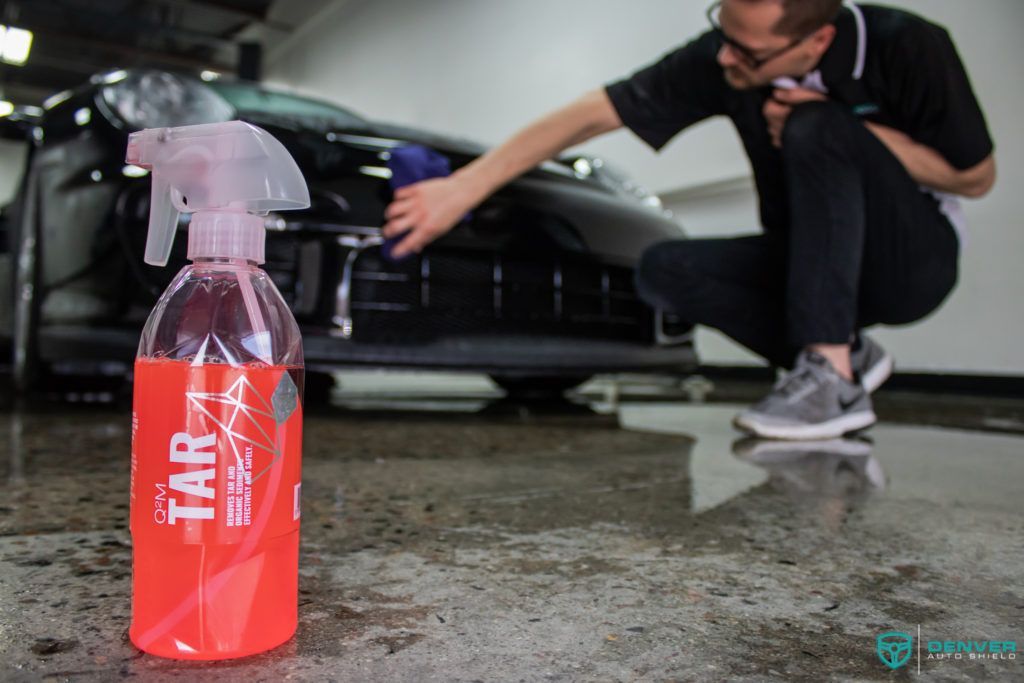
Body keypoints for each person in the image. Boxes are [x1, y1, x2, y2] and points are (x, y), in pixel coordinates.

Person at [382, 0, 996, 440]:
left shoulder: (909, 45)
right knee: (664, 270)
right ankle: (844, 358)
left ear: (816, 43)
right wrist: (462, 188)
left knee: (815, 123)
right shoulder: (724, 56)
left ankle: (829, 382)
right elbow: (592, 114)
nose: (725, 54)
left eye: (746, 50)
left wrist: (849, 131)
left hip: (911, 262)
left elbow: (976, 176)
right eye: (721, 29)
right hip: (808, 259)